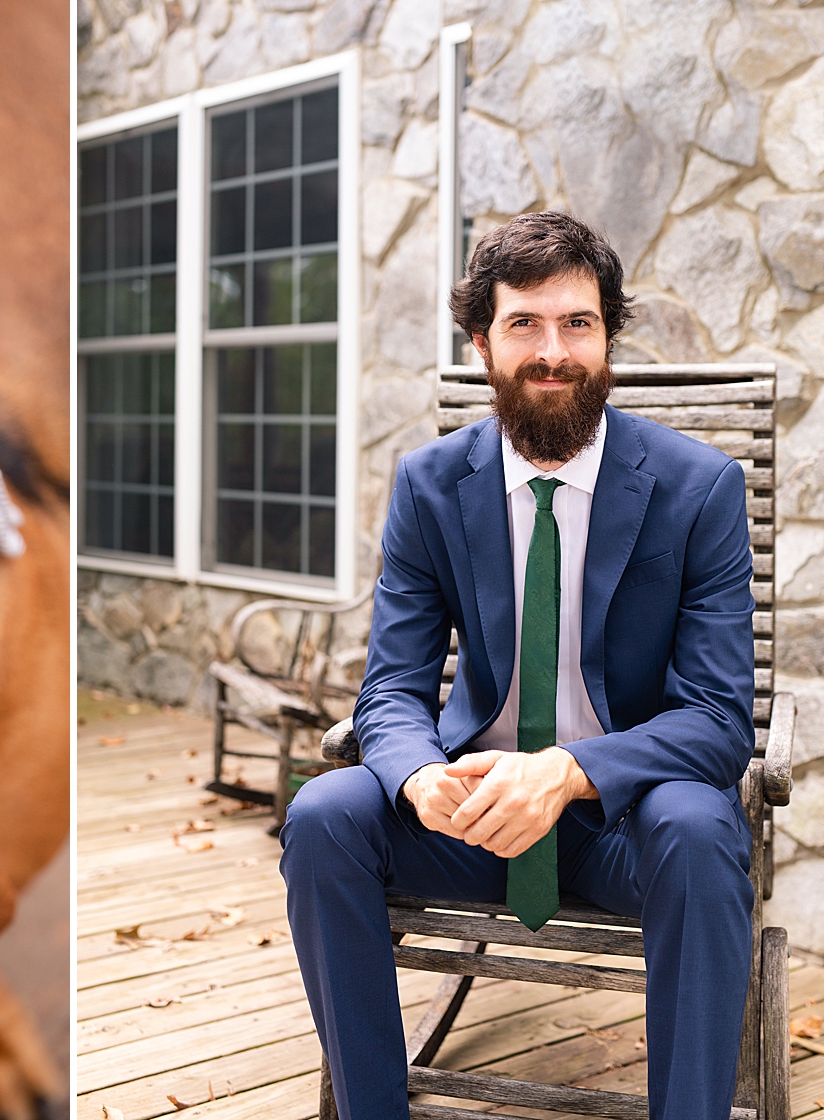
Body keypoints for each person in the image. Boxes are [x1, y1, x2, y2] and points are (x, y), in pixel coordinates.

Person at [280, 210, 755, 1120]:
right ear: (482, 342)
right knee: (327, 809)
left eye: (578, 323)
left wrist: (570, 771)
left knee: (700, 830)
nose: (554, 351)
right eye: (524, 325)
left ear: (608, 337)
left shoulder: (699, 488)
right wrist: (419, 778)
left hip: (629, 822)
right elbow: (392, 688)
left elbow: (718, 720)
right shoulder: (429, 484)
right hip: (472, 814)